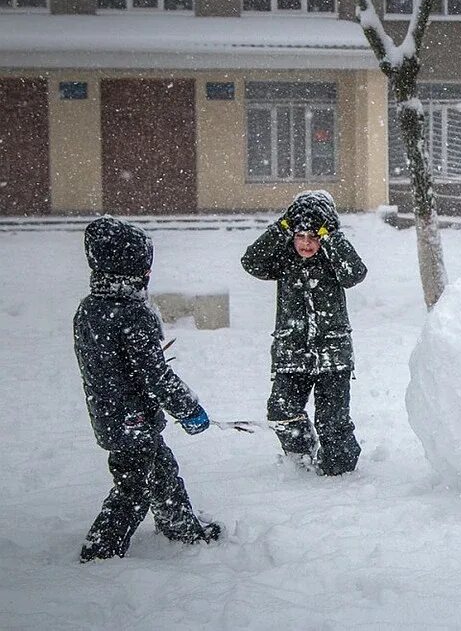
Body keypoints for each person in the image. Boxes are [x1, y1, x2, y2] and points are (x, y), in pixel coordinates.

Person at [74, 216, 220, 563]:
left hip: (110, 414)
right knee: (133, 489)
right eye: (144, 267)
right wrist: (188, 409)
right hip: (133, 419)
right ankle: (101, 551)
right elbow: (156, 375)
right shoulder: (131, 314)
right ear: (135, 271)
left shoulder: (90, 309)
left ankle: (182, 527)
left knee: (163, 472)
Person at [241, 190, 367, 476]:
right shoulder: (284, 259)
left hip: (332, 355)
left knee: (332, 421)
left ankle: (340, 471)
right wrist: (281, 227)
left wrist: (333, 237)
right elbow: (252, 262)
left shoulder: (333, 259)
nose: (307, 244)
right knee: (281, 410)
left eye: (314, 236)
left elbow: (355, 273)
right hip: (291, 352)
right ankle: (300, 459)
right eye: (300, 236)